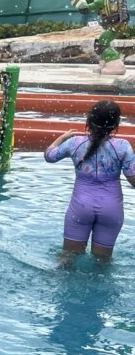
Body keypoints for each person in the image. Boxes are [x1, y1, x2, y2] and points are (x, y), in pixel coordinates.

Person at [44, 100, 135, 260]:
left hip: (81, 207)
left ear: (89, 121)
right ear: (116, 124)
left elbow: (49, 156)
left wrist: (62, 138)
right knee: (102, 263)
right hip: (111, 208)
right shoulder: (123, 146)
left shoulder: (74, 143)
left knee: (67, 259)